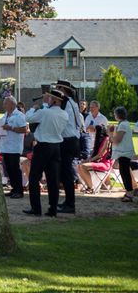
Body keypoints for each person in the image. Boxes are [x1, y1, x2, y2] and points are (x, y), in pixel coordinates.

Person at [24, 90, 68, 217]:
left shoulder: (44, 111)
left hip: (43, 146)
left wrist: (34, 108)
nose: (48, 100)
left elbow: (28, 118)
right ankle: (52, 209)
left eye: (50, 98)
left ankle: (36, 208)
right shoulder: (64, 114)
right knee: (53, 179)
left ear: (54, 100)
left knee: (34, 177)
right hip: (56, 147)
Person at [55, 80, 84, 214]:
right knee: (65, 172)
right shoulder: (73, 103)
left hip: (67, 141)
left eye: (57, 87)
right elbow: (79, 123)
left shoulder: (65, 101)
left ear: (62, 89)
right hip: (73, 139)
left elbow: (60, 119)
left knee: (66, 174)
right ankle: (67, 201)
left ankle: (70, 204)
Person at [0, 96, 28, 199]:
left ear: (12, 104)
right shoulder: (5, 115)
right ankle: (14, 188)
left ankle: (19, 190)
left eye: (5, 103)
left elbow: (24, 129)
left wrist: (11, 128)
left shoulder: (19, 115)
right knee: (8, 168)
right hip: (5, 145)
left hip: (14, 146)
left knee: (15, 168)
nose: (3, 105)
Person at [109, 106, 136, 202]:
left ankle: (129, 193)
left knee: (124, 173)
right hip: (123, 152)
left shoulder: (123, 124)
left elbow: (116, 140)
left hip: (124, 153)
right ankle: (129, 192)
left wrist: (109, 132)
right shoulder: (123, 124)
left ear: (118, 115)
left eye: (115, 114)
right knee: (124, 172)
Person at [77, 124, 111, 193]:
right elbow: (95, 153)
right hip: (99, 162)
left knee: (83, 166)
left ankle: (91, 188)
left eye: (96, 131)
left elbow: (101, 155)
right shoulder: (100, 140)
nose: (95, 133)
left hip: (104, 163)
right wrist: (87, 160)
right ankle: (88, 186)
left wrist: (89, 160)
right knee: (79, 166)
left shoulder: (107, 139)